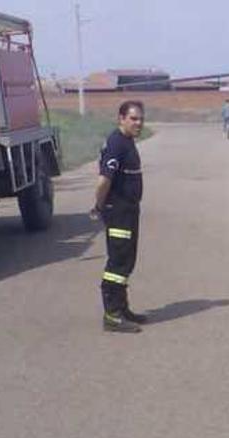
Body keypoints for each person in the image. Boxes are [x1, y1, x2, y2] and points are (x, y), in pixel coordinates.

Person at [91, 101, 148, 333]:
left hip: (129, 210)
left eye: (141, 119)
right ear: (121, 118)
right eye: (133, 119)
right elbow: (104, 180)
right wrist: (99, 205)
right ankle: (112, 315)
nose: (139, 123)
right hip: (119, 212)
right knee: (118, 262)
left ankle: (122, 308)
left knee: (127, 259)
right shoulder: (117, 143)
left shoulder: (126, 141)